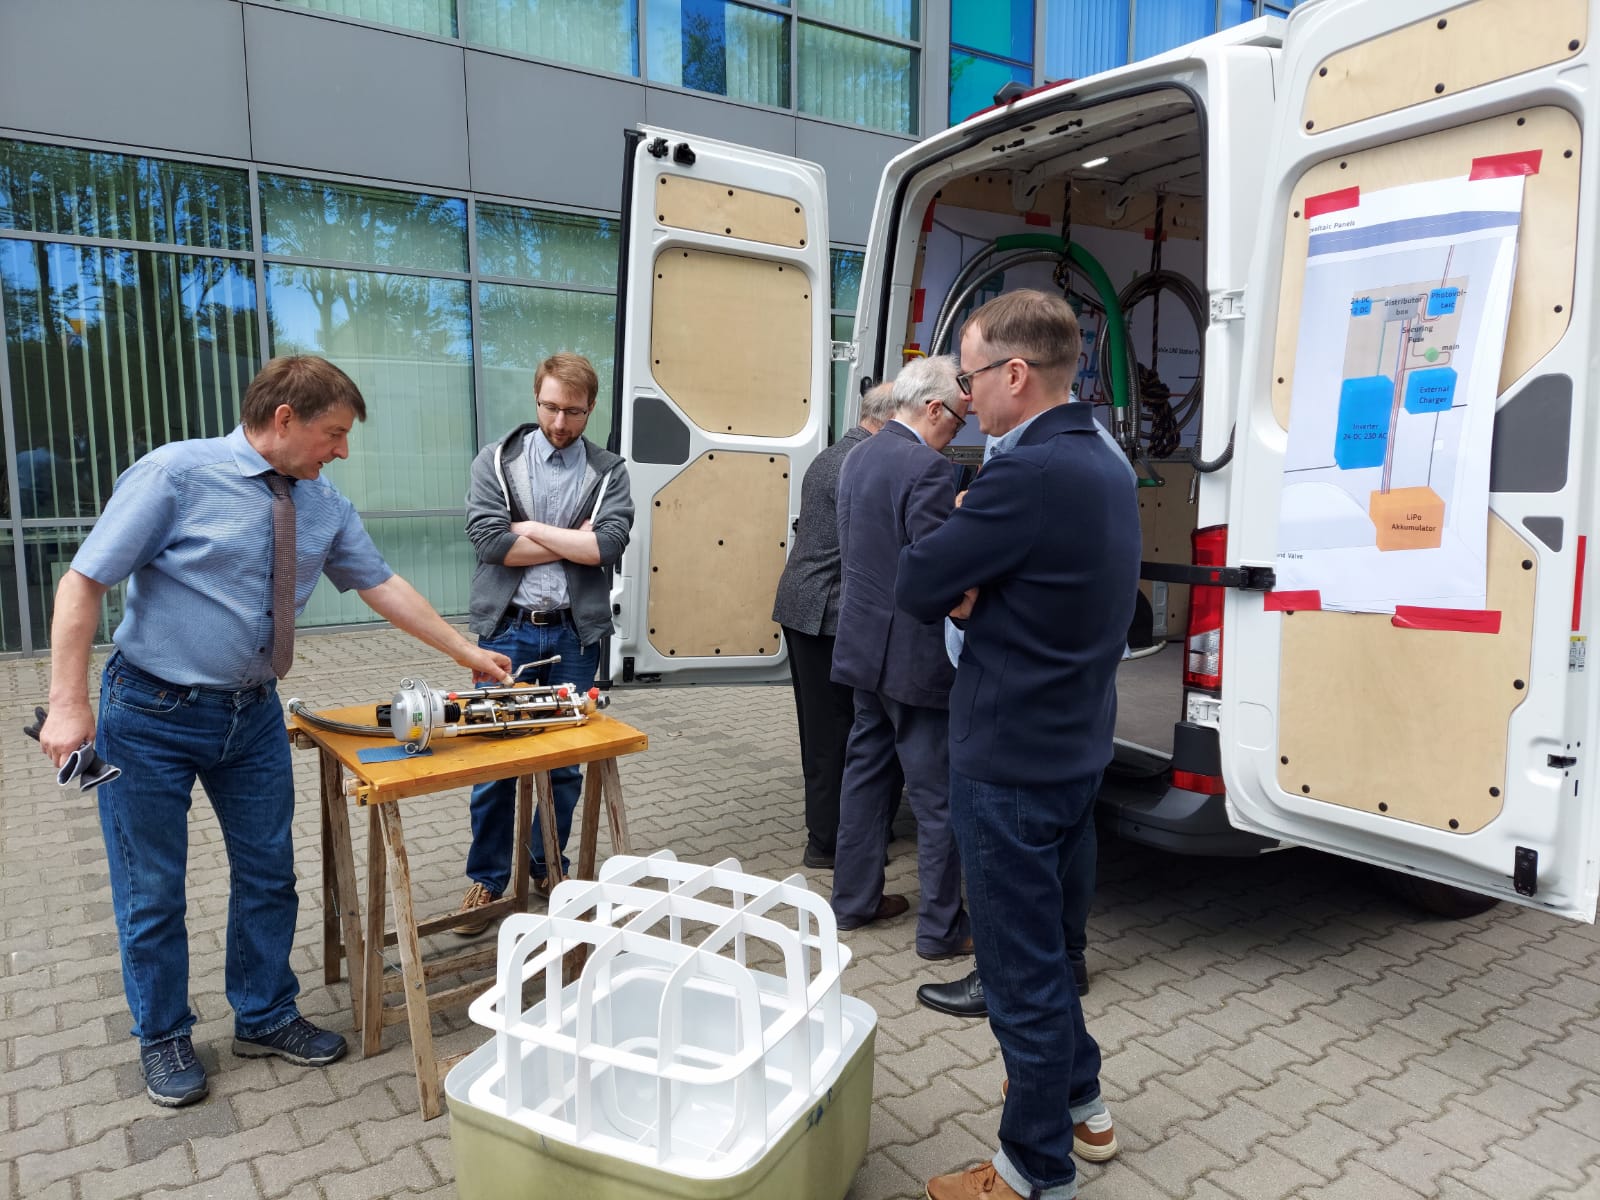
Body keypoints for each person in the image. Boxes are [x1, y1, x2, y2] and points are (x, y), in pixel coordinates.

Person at [37, 355, 514, 1110]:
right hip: (149, 714)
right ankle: (162, 1033)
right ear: (285, 419)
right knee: (153, 890)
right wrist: (66, 703)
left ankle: (263, 1014)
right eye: (334, 433)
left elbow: (380, 584)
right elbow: (84, 580)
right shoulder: (175, 476)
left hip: (253, 715)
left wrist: (465, 653)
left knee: (269, 875)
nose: (342, 451)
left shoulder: (323, 505)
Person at [898, 290, 1139, 1200]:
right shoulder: (1103, 459)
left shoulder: (1025, 472)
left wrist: (971, 588)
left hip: (1008, 758)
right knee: (1045, 949)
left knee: (1018, 972)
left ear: (1014, 373)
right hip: (1074, 746)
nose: (964, 394)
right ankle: (1083, 1105)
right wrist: (987, 589)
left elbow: (923, 580)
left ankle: (1032, 1172)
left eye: (968, 375)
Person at [455, 352, 634, 934]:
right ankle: (486, 880)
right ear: (536, 399)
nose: (561, 423)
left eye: (574, 411)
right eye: (551, 407)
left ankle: (545, 864)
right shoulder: (498, 461)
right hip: (506, 630)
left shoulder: (609, 470)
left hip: (574, 633)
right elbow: (488, 542)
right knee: (494, 762)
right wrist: (566, 540)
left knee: (563, 766)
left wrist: (527, 529)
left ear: (591, 408)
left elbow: (607, 547)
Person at [829, 355, 972, 961]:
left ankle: (853, 901)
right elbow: (929, 567)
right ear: (933, 409)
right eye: (958, 422)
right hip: (915, 658)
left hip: (863, 649)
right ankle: (941, 930)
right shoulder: (931, 469)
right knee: (937, 798)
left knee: (864, 779)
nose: (959, 432)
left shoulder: (857, 454)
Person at [771, 381, 899, 870]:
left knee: (820, 730)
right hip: (826, 610)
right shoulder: (862, 462)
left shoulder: (836, 453)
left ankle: (832, 830)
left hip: (805, 606)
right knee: (836, 733)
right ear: (886, 418)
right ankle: (827, 842)